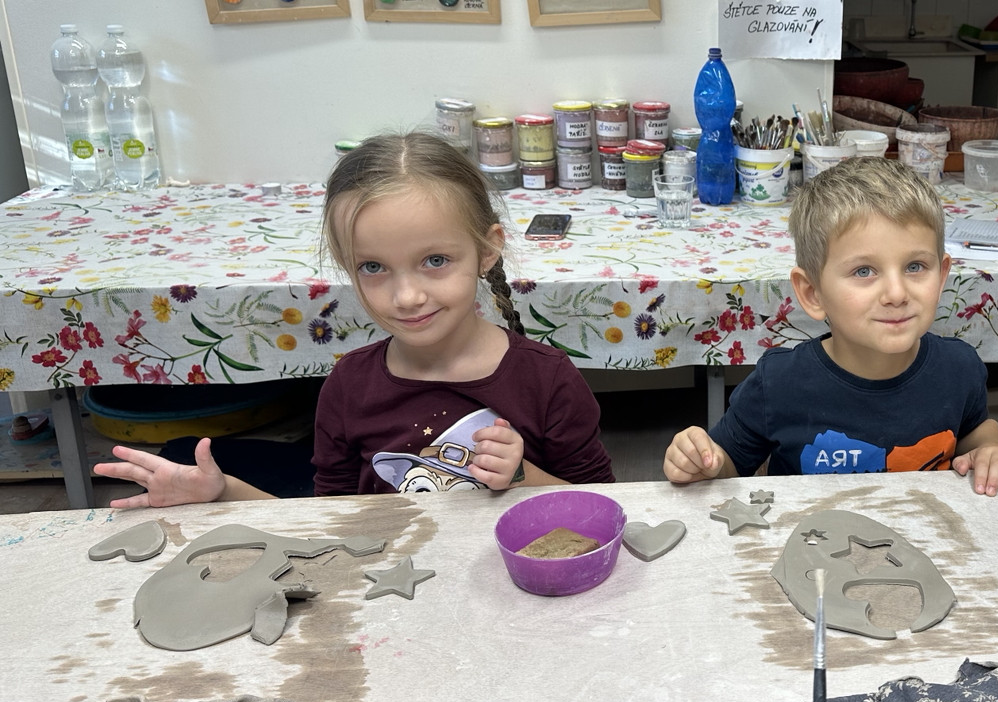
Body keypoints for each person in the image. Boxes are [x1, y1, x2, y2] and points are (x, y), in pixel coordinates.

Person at [97, 133, 613, 506]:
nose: (407, 296)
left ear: (487, 249)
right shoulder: (349, 386)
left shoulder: (547, 380)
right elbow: (332, 521)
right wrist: (223, 492)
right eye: (373, 267)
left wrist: (522, 476)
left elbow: (606, 509)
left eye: (435, 260)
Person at [663, 156, 998, 496]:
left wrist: (991, 450)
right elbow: (727, 464)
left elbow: (975, 429)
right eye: (863, 271)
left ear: (941, 276)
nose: (896, 293)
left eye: (915, 266)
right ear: (812, 293)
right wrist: (702, 463)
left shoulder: (960, 368)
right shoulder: (777, 384)